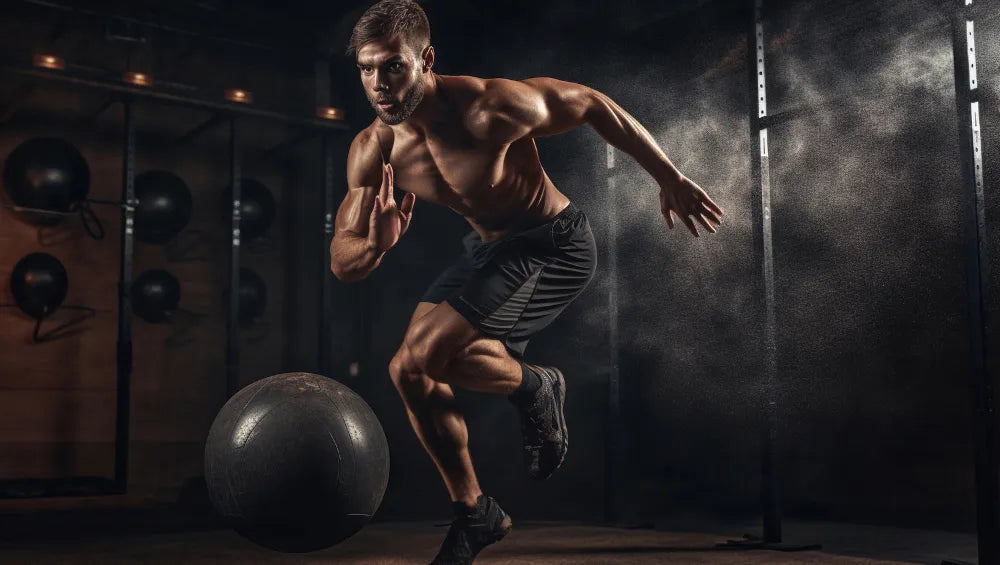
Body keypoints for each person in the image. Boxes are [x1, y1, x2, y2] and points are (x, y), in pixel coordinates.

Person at [331, 1, 724, 563]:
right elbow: (342, 262)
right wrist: (374, 244)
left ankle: (536, 386)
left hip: (554, 242)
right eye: (367, 70)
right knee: (407, 372)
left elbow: (592, 104)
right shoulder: (375, 148)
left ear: (426, 60)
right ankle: (476, 513)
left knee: (429, 352)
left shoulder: (490, 107)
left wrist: (670, 176)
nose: (379, 85)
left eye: (393, 66)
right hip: (493, 251)